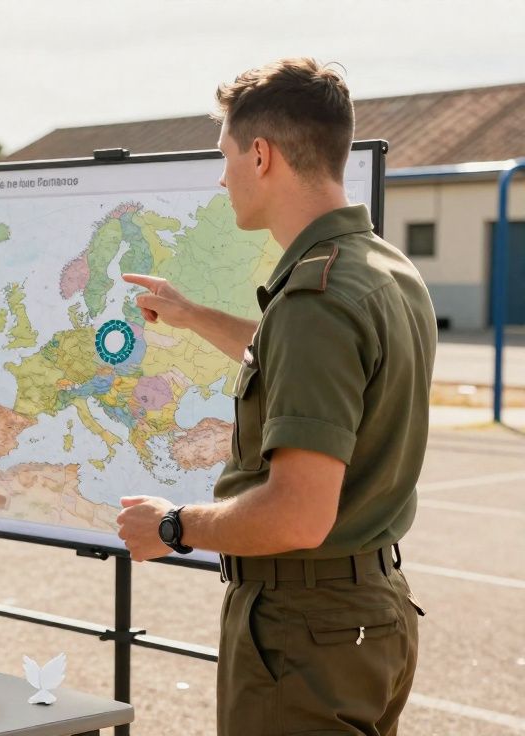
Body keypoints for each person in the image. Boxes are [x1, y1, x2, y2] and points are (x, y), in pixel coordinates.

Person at [116, 58, 435, 735]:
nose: (222, 174)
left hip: (304, 638)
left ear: (260, 155)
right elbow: (298, 359)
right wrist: (194, 315)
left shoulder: (315, 302)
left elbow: (298, 515)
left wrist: (172, 527)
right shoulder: (383, 269)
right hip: (366, 618)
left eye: (226, 155)